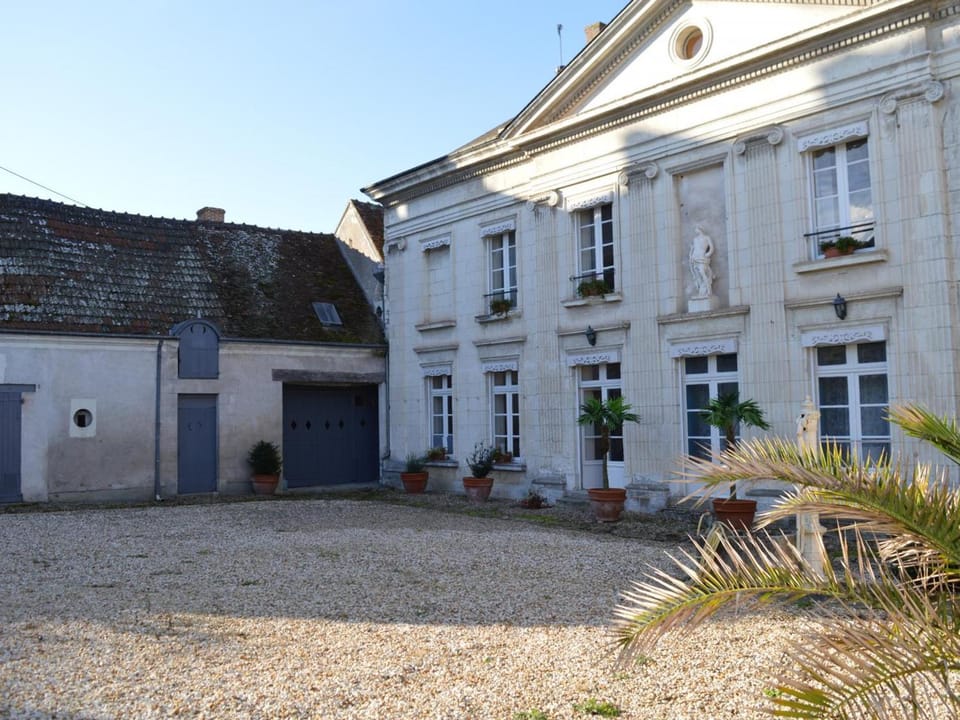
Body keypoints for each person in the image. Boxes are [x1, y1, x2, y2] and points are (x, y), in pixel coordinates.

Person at [689, 225, 714, 297]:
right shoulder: (695, 239)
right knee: (697, 275)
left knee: (702, 272)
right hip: (695, 257)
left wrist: (707, 254)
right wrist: (691, 256)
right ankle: (702, 292)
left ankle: (709, 290)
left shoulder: (707, 237)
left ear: (700, 229)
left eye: (696, 228)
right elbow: (693, 249)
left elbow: (711, 248)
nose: (695, 230)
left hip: (702, 257)